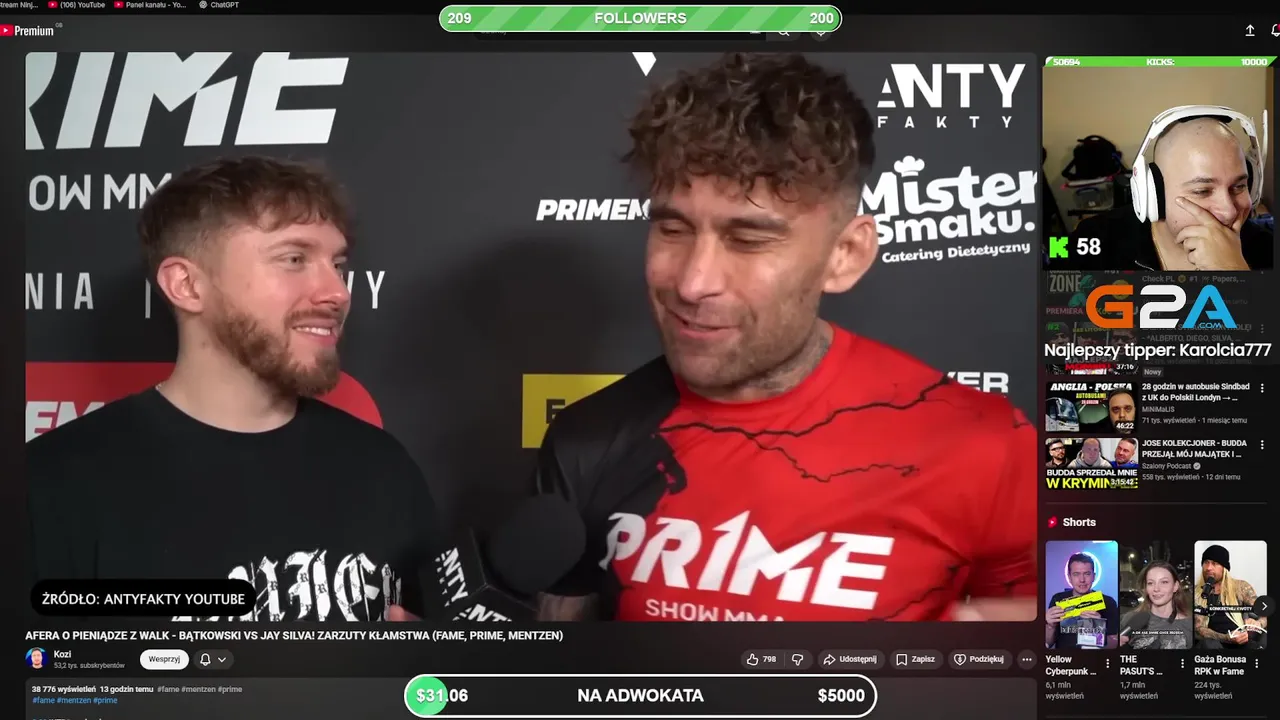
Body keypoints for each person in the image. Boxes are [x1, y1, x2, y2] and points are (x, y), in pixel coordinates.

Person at [529, 53, 1037, 622]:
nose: (693, 282)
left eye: (748, 240)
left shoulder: (984, 445)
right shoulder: (587, 439)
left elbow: (1083, 629)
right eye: (673, 228)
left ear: (845, 255)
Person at [27, 157, 441, 622]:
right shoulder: (54, 486)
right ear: (187, 285)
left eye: (338, 264)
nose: (338, 292)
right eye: (294, 259)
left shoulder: (384, 468)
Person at [1068, 116, 1273, 271]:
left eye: (1239, 186)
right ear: (1152, 193)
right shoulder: (1090, 237)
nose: (1229, 211)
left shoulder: (1268, 247)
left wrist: (1236, 274)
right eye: (1202, 191)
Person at [1195, 544, 1266, 649]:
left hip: (1241, 641)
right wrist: (1226, 638)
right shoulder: (1197, 592)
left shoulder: (1240, 587)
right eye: (1206, 562)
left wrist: (1258, 623)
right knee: (1208, 644)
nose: (1209, 568)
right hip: (1214, 645)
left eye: (1214, 563)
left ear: (1224, 568)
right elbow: (1198, 629)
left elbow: (1266, 611)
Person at [1046, 553, 1120, 649]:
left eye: (1087, 574)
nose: (1082, 580)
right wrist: (1050, 626)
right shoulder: (1058, 599)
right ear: (1069, 577)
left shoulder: (1108, 602)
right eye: (1076, 574)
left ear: (1094, 576)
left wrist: (1098, 628)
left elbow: (1113, 645)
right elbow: (1048, 643)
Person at [1120, 562, 1192, 649]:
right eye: (1150, 583)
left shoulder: (1189, 625)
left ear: (1175, 586)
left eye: (1164, 582)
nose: (1156, 589)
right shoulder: (1130, 619)